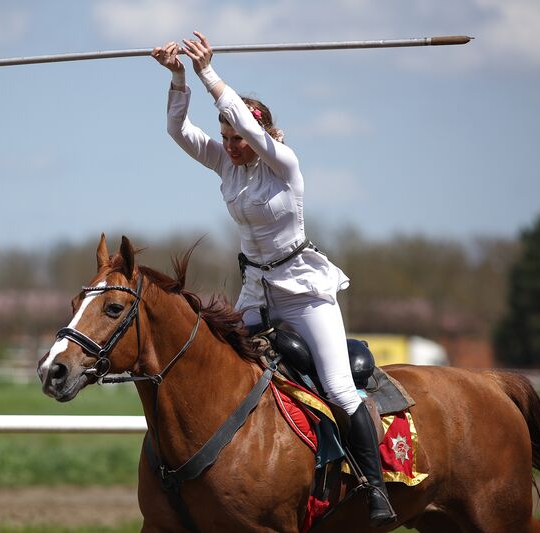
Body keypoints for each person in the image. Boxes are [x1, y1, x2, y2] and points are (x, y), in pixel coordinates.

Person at [152, 31, 396, 527]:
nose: (230, 147)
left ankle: (375, 489)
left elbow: (244, 120)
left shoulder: (285, 165)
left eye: (237, 139)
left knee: (339, 388)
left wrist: (207, 72)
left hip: (306, 295)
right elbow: (179, 132)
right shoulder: (225, 163)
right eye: (225, 139)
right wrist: (179, 78)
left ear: (262, 134)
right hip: (256, 292)